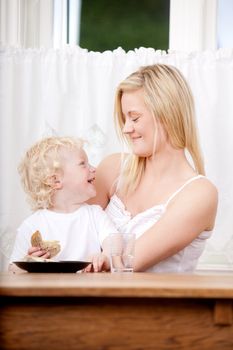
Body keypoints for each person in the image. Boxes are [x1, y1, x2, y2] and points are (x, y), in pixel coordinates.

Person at [89, 63, 218, 273]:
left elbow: (126, 264)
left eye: (135, 117)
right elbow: (71, 228)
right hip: (92, 303)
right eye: (124, 118)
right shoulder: (111, 169)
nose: (126, 128)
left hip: (158, 306)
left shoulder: (200, 194)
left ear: (167, 114)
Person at [9, 136, 117, 272]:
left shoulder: (95, 214)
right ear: (56, 180)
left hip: (89, 290)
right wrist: (28, 263)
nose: (94, 169)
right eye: (83, 164)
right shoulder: (31, 225)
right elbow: (13, 268)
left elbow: (114, 240)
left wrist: (106, 257)